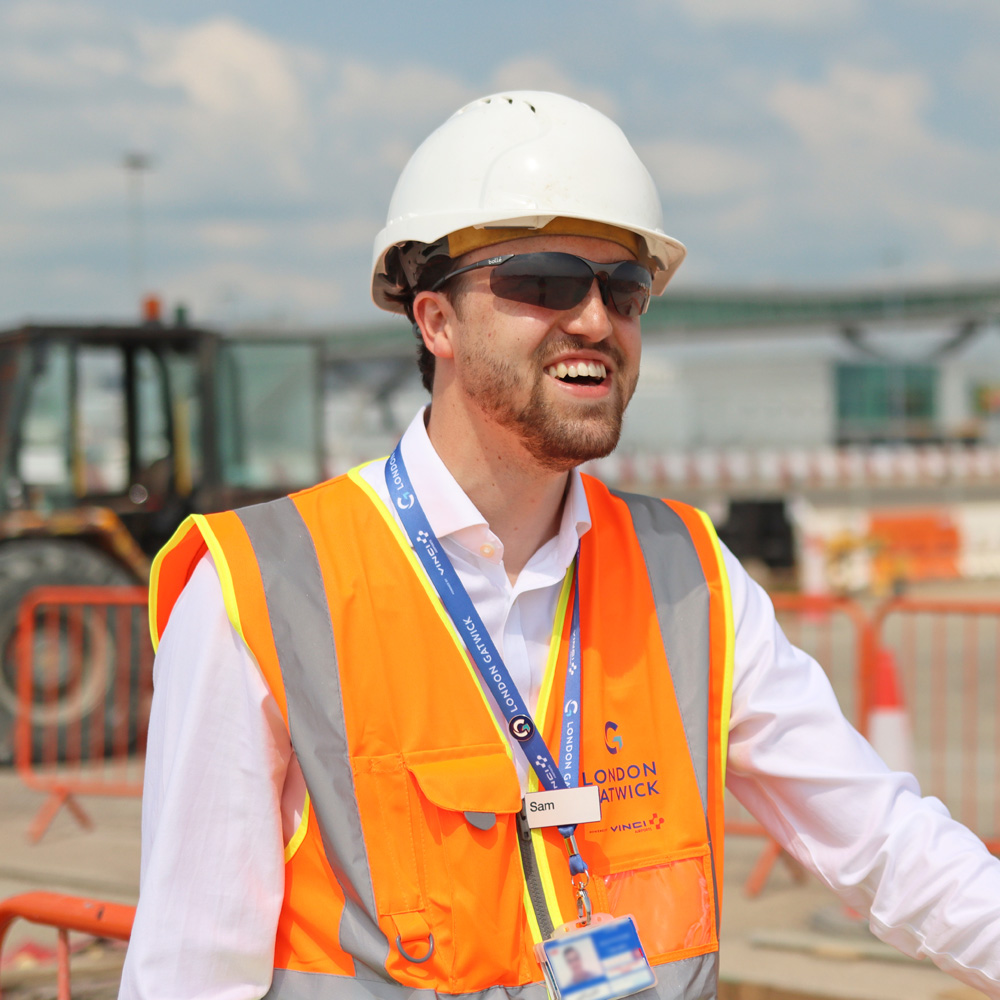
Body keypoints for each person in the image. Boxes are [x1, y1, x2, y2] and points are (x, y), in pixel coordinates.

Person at [119, 91, 1000, 1000]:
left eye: (623, 290)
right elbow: (190, 971)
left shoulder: (689, 576)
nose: (592, 320)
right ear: (436, 322)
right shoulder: (263, 592)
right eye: (541, 282)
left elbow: (884, 843)